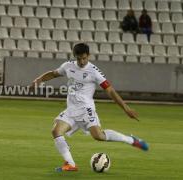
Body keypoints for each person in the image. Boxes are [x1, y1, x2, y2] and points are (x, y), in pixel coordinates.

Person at [32, 43, 149, 171]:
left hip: (86, 109)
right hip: (71, 109)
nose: (82, 61)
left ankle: (130, 140)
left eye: (84, 58)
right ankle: (71, 164)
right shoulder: (68, 66)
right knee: (56, 131)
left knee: (98, 136)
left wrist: (126, 109)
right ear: (75, 56)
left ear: (88, 56)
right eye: (79, 58)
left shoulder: (94, 71)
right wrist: (39, 80)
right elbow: (53, 74)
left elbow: (110, 90)